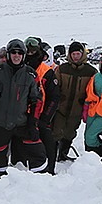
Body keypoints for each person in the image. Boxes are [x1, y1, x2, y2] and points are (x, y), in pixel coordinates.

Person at [0, 39, 45, 177]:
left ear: (23, 55)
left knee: (38, 152)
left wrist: (33, 123)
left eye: (19, 53)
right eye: (13, 53)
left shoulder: (31, 75)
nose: (16, 56)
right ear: (8, 54)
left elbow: (37, 100)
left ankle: (39, 182)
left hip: (21, 122)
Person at [53, 41, 96, 162]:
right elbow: (55, 87)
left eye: (78, 54)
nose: (75, 56)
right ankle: (52, 154)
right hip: (61, 108)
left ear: (82, 54)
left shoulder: (91, 71)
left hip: (77, 109)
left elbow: (93, 91)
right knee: (56, 132)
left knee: (70, 133)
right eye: (73, 54)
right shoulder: (62, 69)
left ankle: (63, 154)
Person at [24, 40, 60, 174]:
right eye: (27, 51)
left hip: (41, 114)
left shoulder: (46, 72)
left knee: (47, 141)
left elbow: (55, 97)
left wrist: (45, 118)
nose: (30, 54)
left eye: (33, 51)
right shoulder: (21, 67)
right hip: (23, 114)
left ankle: (50, 170)